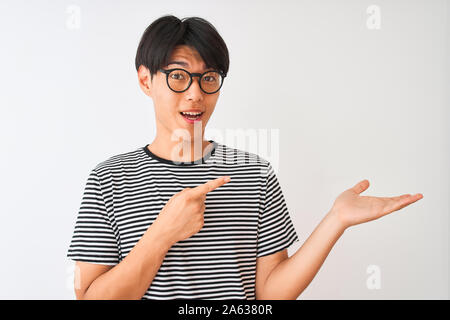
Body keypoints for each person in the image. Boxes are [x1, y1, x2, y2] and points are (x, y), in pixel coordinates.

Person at [66, 15, 423, 300]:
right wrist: (162, 233)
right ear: (146, 81)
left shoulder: (255, 173)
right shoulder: (107, 179)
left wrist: (336, 220)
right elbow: (91, 297)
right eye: (178, 76)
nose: (195, 94)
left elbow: (271, 292)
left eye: (209, 78)